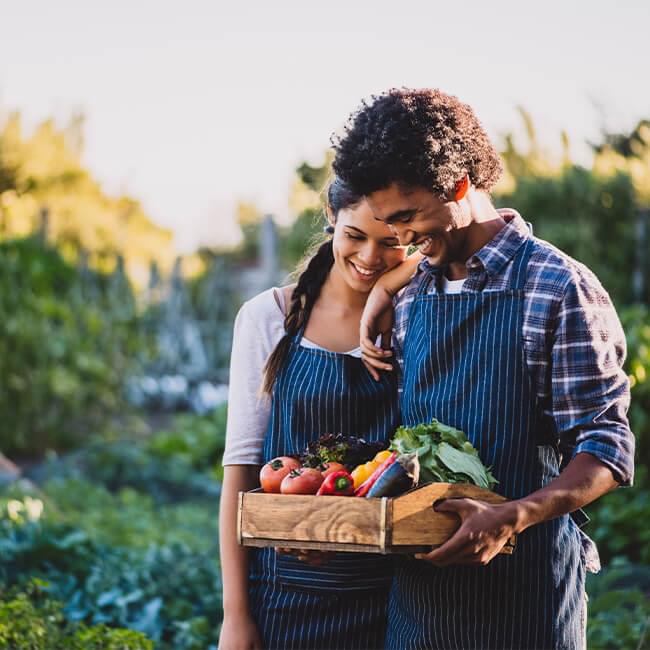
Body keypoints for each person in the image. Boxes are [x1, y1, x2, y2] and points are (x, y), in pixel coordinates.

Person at [331, 88, 635, 649]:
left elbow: (606, 449)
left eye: (408, 217)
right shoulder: (411, 292)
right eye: (386, 222)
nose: (399, 240)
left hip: (527, 602)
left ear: (461, 184)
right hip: (419, 611)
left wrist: (513, 516)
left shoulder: (556, 286)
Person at [218, 177, 409, 650]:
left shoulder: (417, 315)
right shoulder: (270, 318)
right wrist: (236, 616)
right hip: (288, 596)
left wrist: (390, 288)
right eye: (355, 236)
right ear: (331, 216)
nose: (369, 258)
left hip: (397, 596)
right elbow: (240, 470)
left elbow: (491, 227)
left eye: (391, 243)